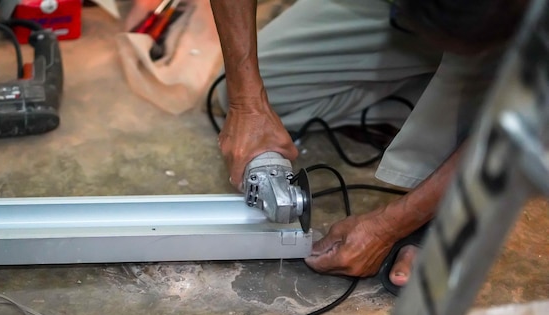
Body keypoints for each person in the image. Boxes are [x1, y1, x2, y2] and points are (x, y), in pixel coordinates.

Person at [208, 0, 528, 290]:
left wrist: (390, 226)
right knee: (246, 89)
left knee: (518, 106)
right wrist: (247, 103)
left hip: (513, 39)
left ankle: (461, 126)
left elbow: (521, 125)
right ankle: (435, 104)